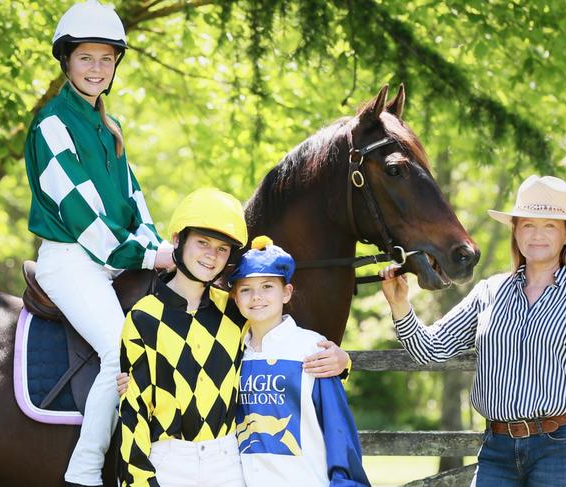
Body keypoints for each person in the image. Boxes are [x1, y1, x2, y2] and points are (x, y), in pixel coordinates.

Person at [24, 1, 174, 485]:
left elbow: (136, 203)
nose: (96, 68)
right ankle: (84, 473)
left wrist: (156, 246)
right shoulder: (51, 125)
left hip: (113, 260)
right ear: (66, 62)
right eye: (86, 58)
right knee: (121, 351)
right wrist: (148, 253)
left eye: (106, 59)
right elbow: (83, 218)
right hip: (70, 261)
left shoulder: (112, 129)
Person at [379, 175, 566, 487]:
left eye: (550, 226)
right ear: (515, 230)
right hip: (497, 449)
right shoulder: (489, 291)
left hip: (563, 448)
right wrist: (400, 306)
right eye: (528, 224)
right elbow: (432, 350)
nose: (537, 235)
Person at [118, 188, 350, 487]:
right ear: (177, 240)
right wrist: (136, 480)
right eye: (202, 242)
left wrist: (343, 362)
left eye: (222, 249)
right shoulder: (143, 316)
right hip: (169, 460)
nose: (211, 256)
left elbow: (282, 342)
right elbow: (133, 411)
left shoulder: (234, 308)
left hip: (227, 458)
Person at [229, 236, 370, 487]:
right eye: (246, 289)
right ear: (235, 298)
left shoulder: (312, 348)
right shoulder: (232, 353)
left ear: (286, 293)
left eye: (267, 286)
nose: (256, 297)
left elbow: (337, 429)